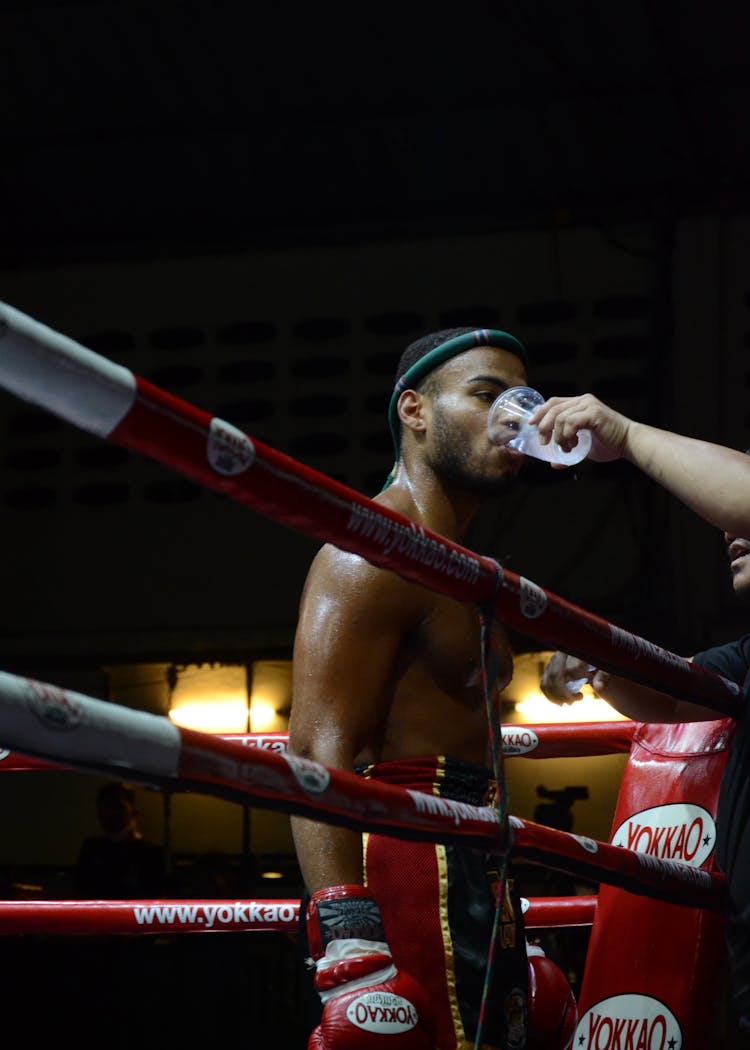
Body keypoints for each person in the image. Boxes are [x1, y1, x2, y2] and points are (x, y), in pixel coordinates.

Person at [288, 327, 577, 1050]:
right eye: (486, 395)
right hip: (410, 859)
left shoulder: (475, 572)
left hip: (483, 854)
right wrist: (348, 937)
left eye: (522, 398)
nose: (514, 416)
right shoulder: (372, 551)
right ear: (415, 411)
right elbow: (320, 748)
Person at [531, 392, 750, 1036]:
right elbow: (673, 698)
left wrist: (622, 433)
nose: (728, 532)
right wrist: (596, 662)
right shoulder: (745, 658)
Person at [75, 780, 166, 899]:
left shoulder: (151, 853)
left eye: (117, 806)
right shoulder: (92, 849)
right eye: (105, 807)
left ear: (133, 811)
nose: (110, 813)